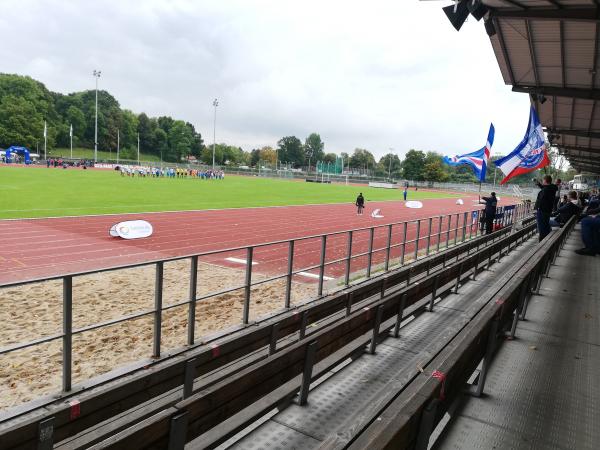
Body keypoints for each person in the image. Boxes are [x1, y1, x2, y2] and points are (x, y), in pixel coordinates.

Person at [534, 175, 558, 242]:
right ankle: (546, 240)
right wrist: (539, 184)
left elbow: (542, 199)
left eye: (543, 180)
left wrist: (537, 208)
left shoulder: (546, 189)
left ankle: (542, 242)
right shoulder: (552, 188)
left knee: (542, 228)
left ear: (545, 180)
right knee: (546, 226)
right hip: (548, 210)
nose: (542, 181)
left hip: (542, 211)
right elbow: (545, 188)